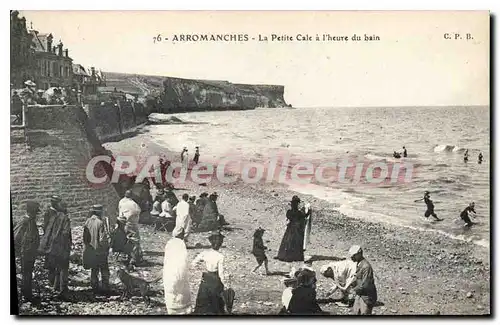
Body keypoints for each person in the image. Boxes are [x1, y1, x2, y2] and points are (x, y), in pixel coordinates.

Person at [38, 198, 72, 299]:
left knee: (57, 267)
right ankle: (63, 290)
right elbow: (65, 233)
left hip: (52, 247)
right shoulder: (65, 218)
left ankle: (55, 287)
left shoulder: (54, 217)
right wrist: (67, 246)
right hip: (61, 247)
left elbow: (47, 230)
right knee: (64, 269)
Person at [192, 230, 227, 315]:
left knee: (203, 298)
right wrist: (225, 284)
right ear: (220, 244)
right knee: (216, 300)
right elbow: (221, 273)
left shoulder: (205, 253)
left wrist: (201, 269)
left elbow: (193, 263)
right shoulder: (220, 256)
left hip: (206, 277)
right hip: (215, 279)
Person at [14, 201, 41, 302]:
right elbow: (16, 237)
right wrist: (21, 249)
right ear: (31, 212)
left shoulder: (30, 221)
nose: (36, 215)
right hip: (26, 252)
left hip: (30, 252)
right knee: (27, 274)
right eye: (35, 212)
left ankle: (26, 293)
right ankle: (27, 296)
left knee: (28, 273)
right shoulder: (25, 221)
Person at [163, 227, 192, 314]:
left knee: (171, 292)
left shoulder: (169, 243)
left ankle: (172, 311)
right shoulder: (182, 244)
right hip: (180, 272)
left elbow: (166, 259)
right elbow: (184, 260)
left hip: (170, 271)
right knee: (182, 291)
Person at [82, 205, 110, 293]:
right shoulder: (100, 223)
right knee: (104, 269)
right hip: (100, 251)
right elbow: (103, 239)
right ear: (99, 212)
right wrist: (106, 249)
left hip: (91, 250)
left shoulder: (87, 221)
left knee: (94, 269)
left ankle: (94, 287)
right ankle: (105, 288)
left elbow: (84, 237)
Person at [275, 196, 311, 262]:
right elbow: (304, 217)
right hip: (297, 229)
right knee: (295, 242)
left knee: (288, 241)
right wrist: (308, 211)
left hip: (291, 228)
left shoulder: (290, 212)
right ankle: (294, 256)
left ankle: (284, 255)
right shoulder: (298, 213)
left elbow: (290, 216)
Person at [349, 245, 377, 315]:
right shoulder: (359, 264)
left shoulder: (366, 267)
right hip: (360, 293)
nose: (352, 257)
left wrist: (353, 291)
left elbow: (365, 284)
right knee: (355, 312)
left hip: (366, 296)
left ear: (359, 254)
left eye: (354, 255)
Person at [119, 190, 143, 266]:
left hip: (124, 223)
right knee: (135, 241)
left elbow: (121, 213)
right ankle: (134, 259)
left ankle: (125, 256)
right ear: (131, 195)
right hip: (132, 224)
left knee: (126, 240)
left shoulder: (121, 201)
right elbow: (138, 211)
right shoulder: (133, 204)